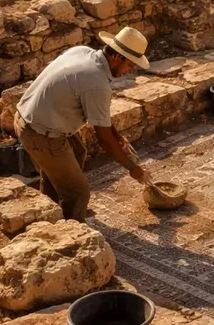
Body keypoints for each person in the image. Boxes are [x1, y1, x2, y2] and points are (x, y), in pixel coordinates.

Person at [15, 27, 151, 220]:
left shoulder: (83, 52)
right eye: (130, 65)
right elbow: (104, 139)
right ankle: (71, 235)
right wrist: (133, 168)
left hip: (32, 116)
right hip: (39, 132)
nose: (130, 70)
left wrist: (117, 135)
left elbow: (99, 117)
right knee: (79, 192)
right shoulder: (97, 83)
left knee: (77, 152)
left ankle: (53, 210)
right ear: (117, 58)